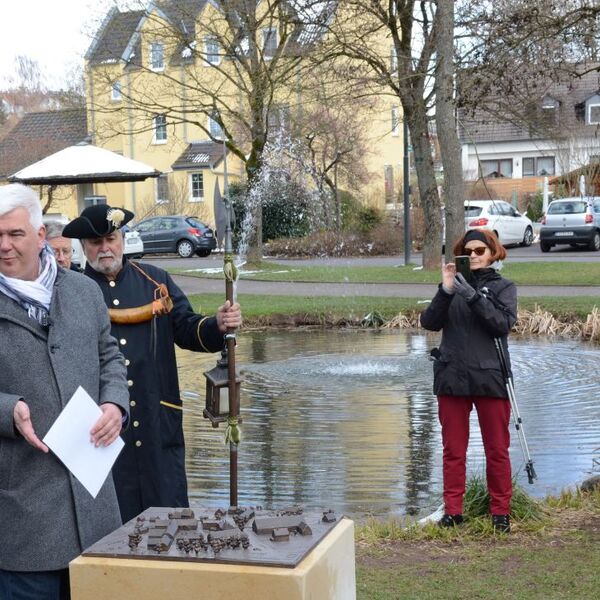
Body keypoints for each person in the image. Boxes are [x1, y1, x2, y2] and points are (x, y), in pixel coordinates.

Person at [63, 204, 243, 523]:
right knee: (110, 521)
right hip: (101, 426)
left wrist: (217, 325)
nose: (105, 248)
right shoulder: (72, 291)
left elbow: (187, 329)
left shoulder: (156, 281)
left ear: (123, 238)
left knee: (168, 514)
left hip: (157, 417)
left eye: (112, 238)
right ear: (83, 246)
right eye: (95, 243)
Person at [0, 184, 130, 600]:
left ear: (40, 236)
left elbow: (109, 356)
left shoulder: (83, 292)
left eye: (15, 234)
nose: (4, 246)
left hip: (95, 514)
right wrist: (7, 410)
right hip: (23, 522)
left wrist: (114, 403)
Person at [420, 229, 517, 534]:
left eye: (479, 250)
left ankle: (500, 512)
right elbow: (429, 322)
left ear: (492, 253)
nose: (473, 256)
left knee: (497, 449)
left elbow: (501, 325)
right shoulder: (451, 287)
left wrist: (473, 297)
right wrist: (447, 290)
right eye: (468, 251)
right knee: (453, 450)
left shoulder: (504, 287)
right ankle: (453, 512)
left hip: (490, 378)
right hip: (452, 379)